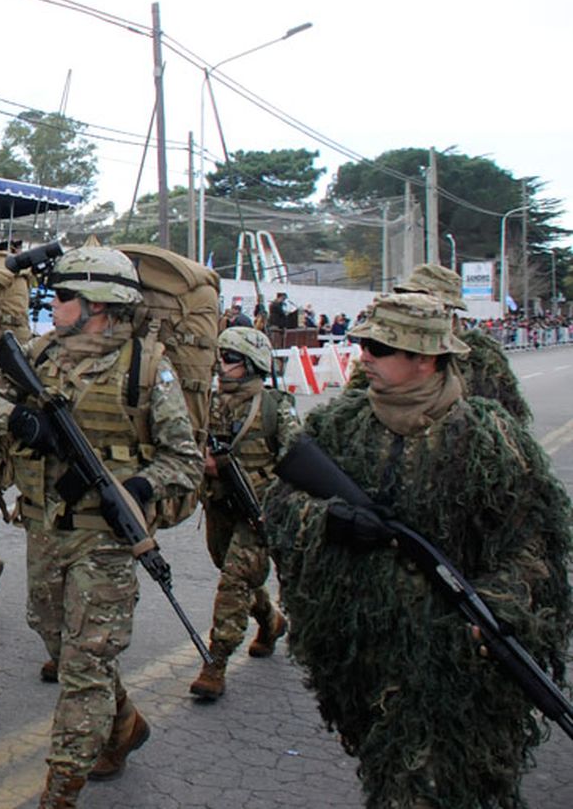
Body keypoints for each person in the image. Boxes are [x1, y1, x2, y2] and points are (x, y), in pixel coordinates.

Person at [266, 293, 572, 808]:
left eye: (380, 347)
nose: (363, 355)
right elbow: (280, 504)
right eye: (363, 343)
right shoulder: (340, 426)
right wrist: (329, 520)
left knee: (439, 784)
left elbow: (532, 545)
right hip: (363, 653)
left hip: (453, 656)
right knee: (387, 768)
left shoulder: (485, 437)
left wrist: (494, 609)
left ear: (425, 358)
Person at [0, 244, 202, 806]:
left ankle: (62, 787)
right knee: (50, 630)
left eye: (65, 296)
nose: (54, 305)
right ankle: (123, 723)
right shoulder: (39, 355)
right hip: (46, 526)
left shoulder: (146, 367)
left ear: (98, 303)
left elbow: (185, 459)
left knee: (85, 662)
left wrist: (139, 488)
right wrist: (21, 419)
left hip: (107, 539)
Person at [187, 327, 300, 701]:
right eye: (221, 357)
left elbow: (295, 464)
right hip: (219, 506)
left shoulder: (273, 408)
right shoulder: (210, 403)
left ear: (252, 365)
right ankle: (269, 620)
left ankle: (215, 662)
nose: (222, 365)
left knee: (234, 582)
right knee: (230, 569)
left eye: (231, 359)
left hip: (258, 513)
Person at [393, 262, 531, 423]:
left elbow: (504, 419)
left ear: (448, 308)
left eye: (423, 301)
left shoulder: (479, 359)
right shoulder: (385, 351)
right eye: (409, 299)